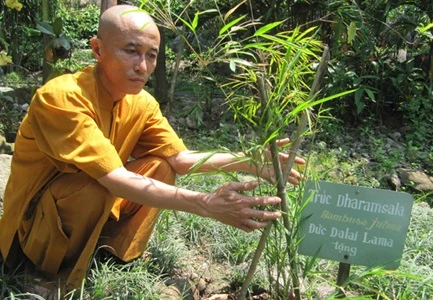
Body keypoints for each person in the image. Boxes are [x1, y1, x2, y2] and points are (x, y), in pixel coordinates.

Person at [0, 4, 304, 293]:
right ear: (97, 49)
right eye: (131, 51)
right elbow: (115, 178)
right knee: (96, 185)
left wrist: (248, 161)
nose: (142, 67)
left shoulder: (140, 102)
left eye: (151, 55)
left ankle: (112, 254)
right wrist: (205, 203)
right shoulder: (63, 96)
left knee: (161, 167)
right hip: (29, 233)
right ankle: (40, 273)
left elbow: (181, 160)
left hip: (83, 211)